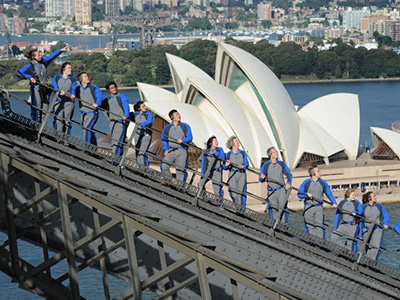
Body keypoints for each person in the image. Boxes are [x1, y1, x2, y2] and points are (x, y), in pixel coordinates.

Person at [17, 46, 69, 122]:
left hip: (44, 88)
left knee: (45, 108)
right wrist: (30, 77)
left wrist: (61, 50)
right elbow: (19, 72)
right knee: (37, 106)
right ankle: (35, 123)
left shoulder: (43, 62)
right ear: (33, 57)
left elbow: (51, 56)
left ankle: (42, 126)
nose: (40, 56)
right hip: (36, 88)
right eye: (38, 55)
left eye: (40, 54)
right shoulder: (30, 66)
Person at [92, 81, 130, 162]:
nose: (114, 89)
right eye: (112, 88)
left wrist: (126, 116)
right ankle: (116, 159)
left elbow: (126, 108)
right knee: (114, 141)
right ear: (109, 91)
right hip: (112, 123)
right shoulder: (107, 99)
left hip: (120, 122)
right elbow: (99, 105)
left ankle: (115, 160)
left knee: (118, 141)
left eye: (114, 87)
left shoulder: (122, 97)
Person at [297, 166, 337, 239]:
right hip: (308, 207)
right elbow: (299, 194)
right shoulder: (306, 182)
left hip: (319, 207)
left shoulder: (323, 182)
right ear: (313, 174)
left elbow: (329, 193)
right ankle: (312, 242)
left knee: (319, 226)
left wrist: (334, 202)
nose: (320, 172)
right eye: (318, 171)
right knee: (310, 226)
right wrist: (306, 195)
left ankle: (320, 243)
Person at [259, 147, 292, 223]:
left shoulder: (281, 164)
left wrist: (289, 183)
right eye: (274, 152)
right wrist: (262, 178)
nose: (277, 153)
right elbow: (260, 179)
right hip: (271, 191)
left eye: (276, 152)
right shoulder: (266, 165)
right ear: (270, 155)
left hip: (281, 190)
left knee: (283, 209)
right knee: (273, 210)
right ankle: (275, 227)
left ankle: (284, 227)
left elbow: (289, 175)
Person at [160, 109, 193, 182]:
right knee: (164, 165)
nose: (179, 115)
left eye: (179, 114)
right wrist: (166, 149)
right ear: (172, 117)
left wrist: (183, 141)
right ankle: (168, 181)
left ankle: (179, 187)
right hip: (171, 151)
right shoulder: (167, 127)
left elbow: (190, 137)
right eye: (177, 114)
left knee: (180, 171)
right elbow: (164, 139)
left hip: (182, 151)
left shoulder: (185, 126)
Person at [75, 72, 103, 145]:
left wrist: (97, 103)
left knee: (87, 129)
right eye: (85, 77)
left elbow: (99, 97)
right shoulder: (78, 88)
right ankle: (94, 149)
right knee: (90, 131)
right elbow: (71, 90)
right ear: (81, 79)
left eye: (87, 76)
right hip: (83, 114)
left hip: (92, 113)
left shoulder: (94, 87)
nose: (87, 77)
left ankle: (86, 148)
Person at [361, 191, 389, 260]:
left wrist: (386, 223)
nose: (376, 197)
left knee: (375, 248)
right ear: (369, 199)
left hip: (377, 229)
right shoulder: (364, 207)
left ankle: (372, 263)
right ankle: (368, 263)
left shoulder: (379, 206)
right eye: (374, 196)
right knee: (368, 248)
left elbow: (385, 215)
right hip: (366, 230)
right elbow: (359, 216)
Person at [224, 136, 249, 211]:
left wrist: (243, 166)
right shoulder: (228, 154)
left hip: (241, 174)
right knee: (233, 193)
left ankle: (241, 210)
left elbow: (246, 163)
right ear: (232, 143)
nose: (238, 142)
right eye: (236, 141)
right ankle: (237, 207)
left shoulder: (242, 153)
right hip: (232, 174)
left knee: (241, 193)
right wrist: (226, 165)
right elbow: (225, 167)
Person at [52, 62, 77, 135]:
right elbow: (55, 86)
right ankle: (59, 136)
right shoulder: (57, 77)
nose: (70, 69)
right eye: (68, 68)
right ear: (64, 69)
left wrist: (72, 94)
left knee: (67, 120)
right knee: (58, 119)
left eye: (70, 68)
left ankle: (66, 138)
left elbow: (73, 88)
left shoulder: (72, 79)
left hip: (68, 101)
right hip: (58, 100)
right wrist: (59, 91)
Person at [131, 101, 153, 167]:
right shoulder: (135, 114)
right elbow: (128, 117)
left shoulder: (148, 114)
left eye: (145, 106)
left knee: (142, 153)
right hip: (137, 134)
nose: (145, 107)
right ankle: (139, 167)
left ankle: (145, 169)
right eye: (143, 106)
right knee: (137, 152)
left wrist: (142, 124)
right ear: (139, 108)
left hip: (146, 135)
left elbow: (149, 121)